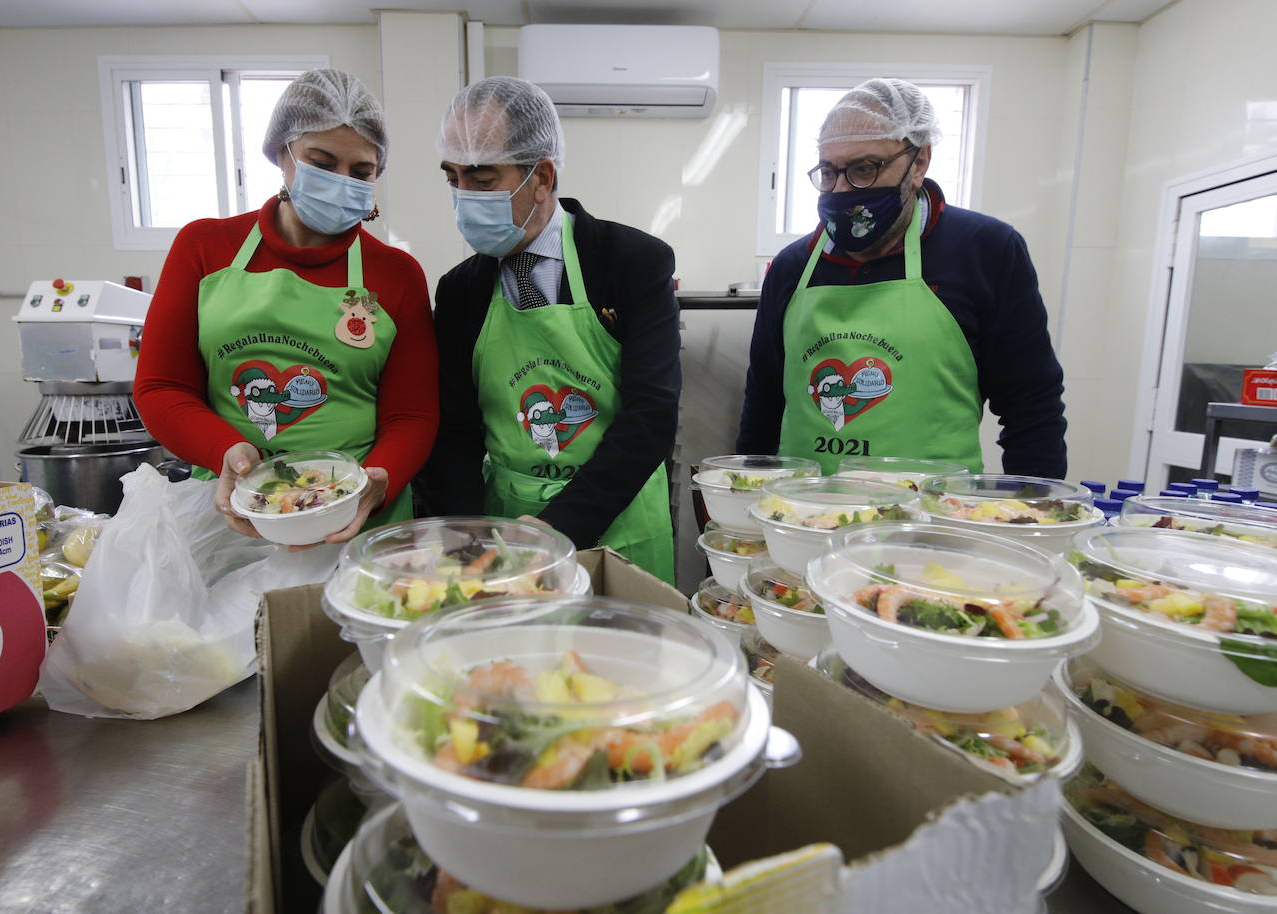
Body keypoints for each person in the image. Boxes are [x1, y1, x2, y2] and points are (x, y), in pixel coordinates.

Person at [134, 68, 439, 544]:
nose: (342, 181)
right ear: (282, 152)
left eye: (361, 171)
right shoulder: (204, 247)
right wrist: (225, 451)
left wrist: (378, 480)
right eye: (322, 162)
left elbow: (412, 414)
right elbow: (162, 386)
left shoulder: (396, 275)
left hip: (355, 518)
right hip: (232, 510)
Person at [736, 78, 1068, 478]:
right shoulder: (793, 266)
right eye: (828, 172)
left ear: (919, 162)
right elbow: (764, 403)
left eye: (864, 169)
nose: (842, 189)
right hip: (803, 519)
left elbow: (1031, 405)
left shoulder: (985, 250)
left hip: (934, 524)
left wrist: (1031, 511)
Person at [420, 77, 681, 583]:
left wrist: (556, 528)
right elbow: (455, 429)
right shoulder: (459, 291)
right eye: (452, 178)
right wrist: (465, 537)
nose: (461, 198)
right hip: (504, 529)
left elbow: (651, 413)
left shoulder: (633, 262)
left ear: (541, 177)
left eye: (481, 180)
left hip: (616, 520)